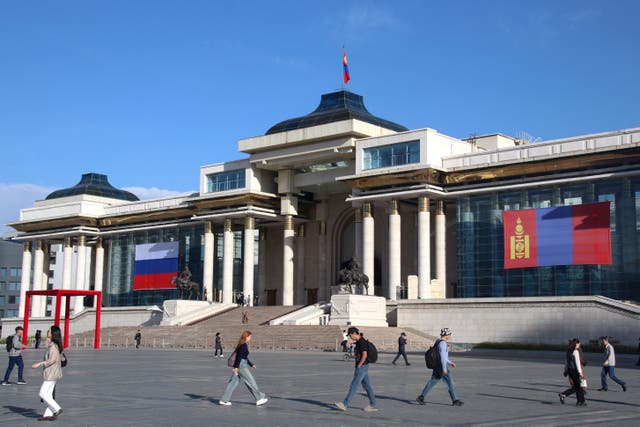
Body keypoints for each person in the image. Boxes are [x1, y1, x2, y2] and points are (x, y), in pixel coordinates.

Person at [334, 326, 378, 412]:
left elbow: (364, 355)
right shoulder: (359, 342)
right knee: (367, 386)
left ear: (354, 334)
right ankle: (373, 404)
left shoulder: (362, 342)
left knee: (354, 385)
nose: (350, 337)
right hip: (364, 367)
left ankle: (345, 404)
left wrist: (359, 365)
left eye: (350, 335)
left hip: (362, 367)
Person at [416, 328, 463, 406]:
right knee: (450, 383)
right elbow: (443, 357)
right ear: (446, 335)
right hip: (442, 367)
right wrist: (444, 368)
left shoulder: (438, 341)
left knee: (432, 382)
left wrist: (450, 362)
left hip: (437, 366)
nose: (450, 336)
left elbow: (442, 357)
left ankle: (421, 397)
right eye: (449, 334)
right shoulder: (443, 343)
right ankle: (455, 400)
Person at [219, 330, 268, 406]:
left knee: (233, 383)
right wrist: (236, 367)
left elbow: (244, 357)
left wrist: (251, 364)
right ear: (246, 337)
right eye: (250, 337)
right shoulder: (243, 345)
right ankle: (259, 398)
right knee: (251, 381)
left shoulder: (241, 345)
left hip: (240, 364)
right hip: (241, 366)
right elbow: (239, 357)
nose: (250, 338)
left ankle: (224, 400)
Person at [31, 326, 64, 421]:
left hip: (51, 373)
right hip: (53, 372)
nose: (47, 331)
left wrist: (40, 363)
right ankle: (48, 415)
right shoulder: (53, 344)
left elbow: (52, 360)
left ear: (53, 334)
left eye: (49, 331)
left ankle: (57, 409)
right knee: (48, 395)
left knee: (42, 393)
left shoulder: (53, 346)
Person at [559, 338, 586, 406]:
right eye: (578, 343)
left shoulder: (568, 351)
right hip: (574, 370)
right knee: (578, 386)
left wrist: (565, 370)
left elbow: (567, 362)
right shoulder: (575, 351)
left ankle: (580, 401)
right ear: (576, 344)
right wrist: (580, 372)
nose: (579, 345)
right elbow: (577, 363)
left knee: (577, 386)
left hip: (570, 370)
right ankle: (579, 401)